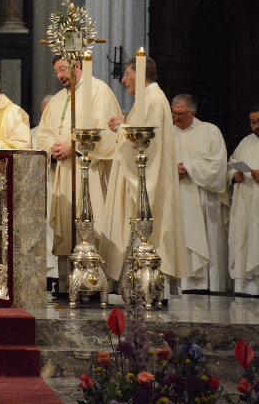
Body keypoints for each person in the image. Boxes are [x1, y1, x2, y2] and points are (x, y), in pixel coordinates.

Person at [99, 56, 188, 286]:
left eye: (127, 75)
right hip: (136, 174)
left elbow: (148, 143)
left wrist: (121, 128)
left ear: (140, 74)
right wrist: (124, 124)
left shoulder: (154, 99)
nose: (123, 80)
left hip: (147, 177)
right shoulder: (147, 98)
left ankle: (144, 282)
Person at [35, 56, 121, 291]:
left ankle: (93, 284)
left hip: (90, 172)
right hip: (64, 172)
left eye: (63, 69)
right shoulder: (59, 99)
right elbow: (43, 133)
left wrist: (74, 148)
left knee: (93, 226)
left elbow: (108, 134)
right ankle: (67, 285)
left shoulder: (98, 92)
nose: (60, 75)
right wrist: (54, 147)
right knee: (67, 228)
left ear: (77, 65)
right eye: (56, 71)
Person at [171, 94, 229, 293]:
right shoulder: (167, 134)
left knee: (208, 243)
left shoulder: (210, 132)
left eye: (181, 114)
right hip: (177, 198)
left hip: (204, 198)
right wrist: (171, 170)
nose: (176, 118)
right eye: (174, 114)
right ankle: (181, 286)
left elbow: (218, 167)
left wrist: (189, 168)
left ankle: (208, 287)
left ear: (193, 113)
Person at [227, 106, 259, 295]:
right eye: (252, 122)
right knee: (246, 242)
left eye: (258, 121)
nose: (255, 126)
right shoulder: (246, 142)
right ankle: (246, 289)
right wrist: (234, 175)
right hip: (245, 202)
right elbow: (232, 164)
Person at [31, 95, 57, 289]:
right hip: (39, 186)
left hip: (58, 183)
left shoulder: (62, 134)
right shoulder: (33, 133)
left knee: (56, 229)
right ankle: (44, 272)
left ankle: (57, 273)